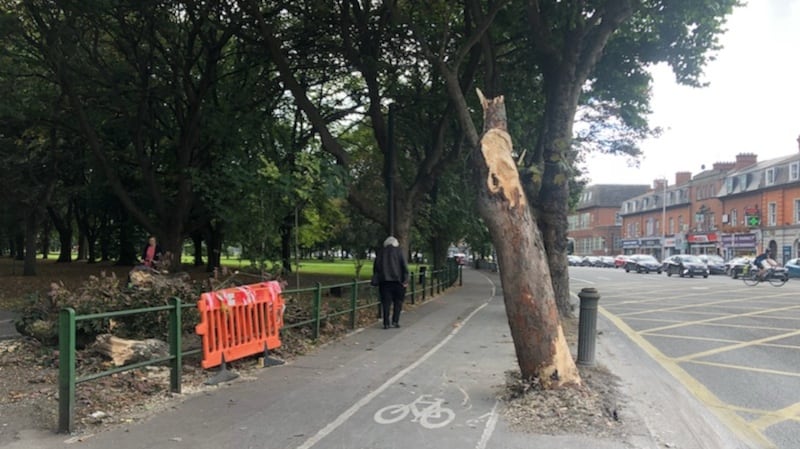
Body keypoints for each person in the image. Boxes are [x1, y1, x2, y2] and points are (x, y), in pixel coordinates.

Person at [373, 236, 409, 329]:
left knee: (386, 303)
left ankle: (386, 323)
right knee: (398, 302)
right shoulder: (399, 252)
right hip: (398, 281)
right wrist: (405, 280)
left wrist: (377, 278)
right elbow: (404, 266)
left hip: (385, 282)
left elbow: (376, 267)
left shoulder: (381, 252)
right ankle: (395, 321)